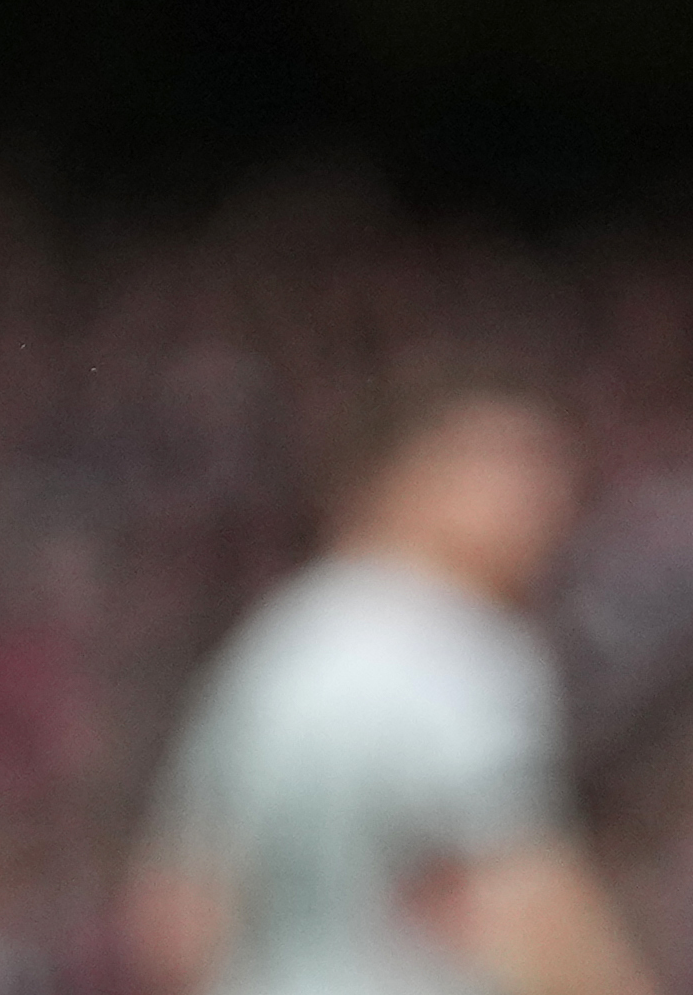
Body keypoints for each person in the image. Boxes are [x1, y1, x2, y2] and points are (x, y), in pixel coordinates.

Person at [133, 388, 653, 995]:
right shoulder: (455, 644)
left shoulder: (271, 647)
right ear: (404, 477)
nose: (549, 505)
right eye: (508, 469)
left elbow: (173, 909)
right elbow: (528, 908)